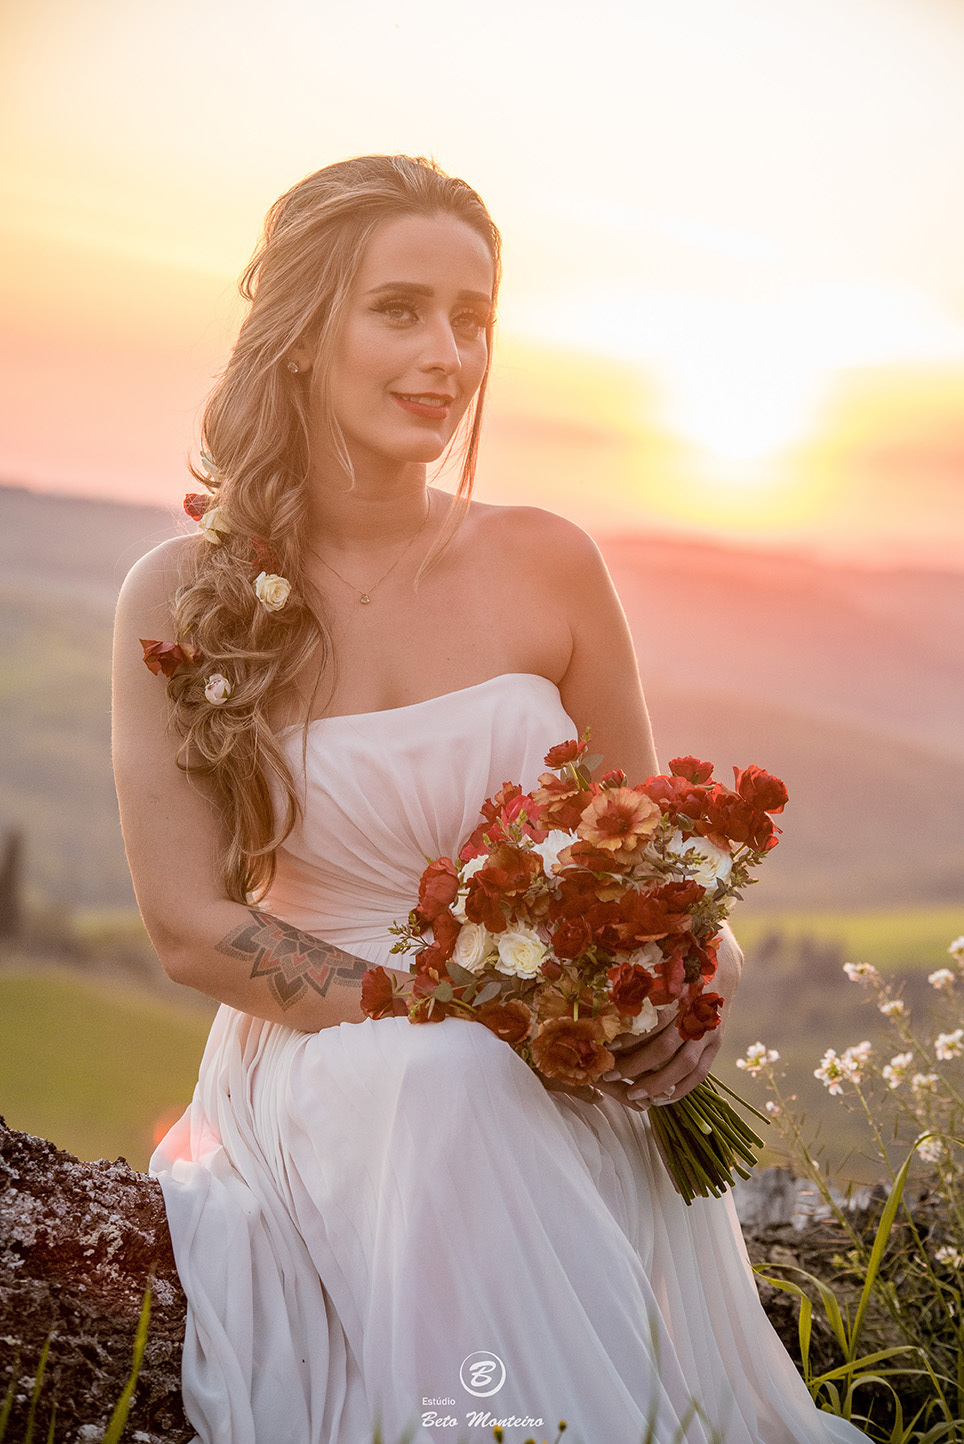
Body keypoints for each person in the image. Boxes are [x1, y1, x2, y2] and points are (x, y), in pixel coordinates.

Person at [112, 155, 867, 1444]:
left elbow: (666, 864)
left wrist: (681, 1001)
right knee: (452, 1078)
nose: (446, 355)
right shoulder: (183, 598)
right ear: (303, 335)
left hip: (558, 1066)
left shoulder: (548, 562)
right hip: (332, 1063)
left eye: (472, 319)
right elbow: (190, 926)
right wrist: (454, 1014)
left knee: (477, 1078)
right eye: (399, 309)